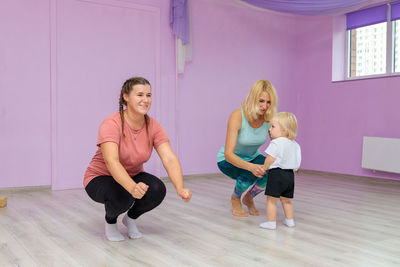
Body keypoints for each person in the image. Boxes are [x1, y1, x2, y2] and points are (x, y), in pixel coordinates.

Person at [84, 77, 192, 241]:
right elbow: (112, 161)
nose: (145, 100)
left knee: (157, 189)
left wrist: (180, 187)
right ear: (126, 97)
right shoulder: (111, 123)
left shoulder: (154, 126)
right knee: (124, 194)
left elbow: (169, 158)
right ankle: (111, 222)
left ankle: (131, 218)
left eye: (148, 95)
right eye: (140, 95)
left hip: (132, 174)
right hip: (100, 177)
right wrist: (132, 187)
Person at [217, 80, 277, 217]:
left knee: (272, 169)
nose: (264, 106)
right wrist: (251, 167)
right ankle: (235, 198)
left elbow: (277, 146)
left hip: (253, 157)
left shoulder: (269, 119)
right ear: (253, 99)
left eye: (268, 102)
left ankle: (248, 197)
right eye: (261, 101)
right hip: (227, 160)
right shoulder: (237, 116)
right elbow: (228, 154)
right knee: (252, 172)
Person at [259, 112, 301, 230]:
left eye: (273, 126)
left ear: (284, 130)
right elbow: (297, 160)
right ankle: (290, 220)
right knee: (286, 200)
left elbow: (270, 158)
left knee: (271, 200)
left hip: (277, 174)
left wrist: (264, 168)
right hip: (290, 175)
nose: (269, 129)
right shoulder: (295, 144)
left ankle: (271, 222)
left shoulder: (276, 142)